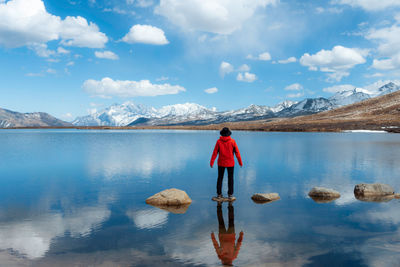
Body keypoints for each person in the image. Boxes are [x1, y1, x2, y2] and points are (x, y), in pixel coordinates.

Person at [210, 127, 243, 199]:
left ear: (222, 134)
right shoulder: (232, 141)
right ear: (229, 134)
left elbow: (215, 153)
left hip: (221, 163)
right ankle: (230, 195)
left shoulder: (218, 141)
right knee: (230, 179)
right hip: (230, 163)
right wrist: (240, 162)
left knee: (220, 178)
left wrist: (211, 162)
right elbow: (237, 153)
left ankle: (219, 194)